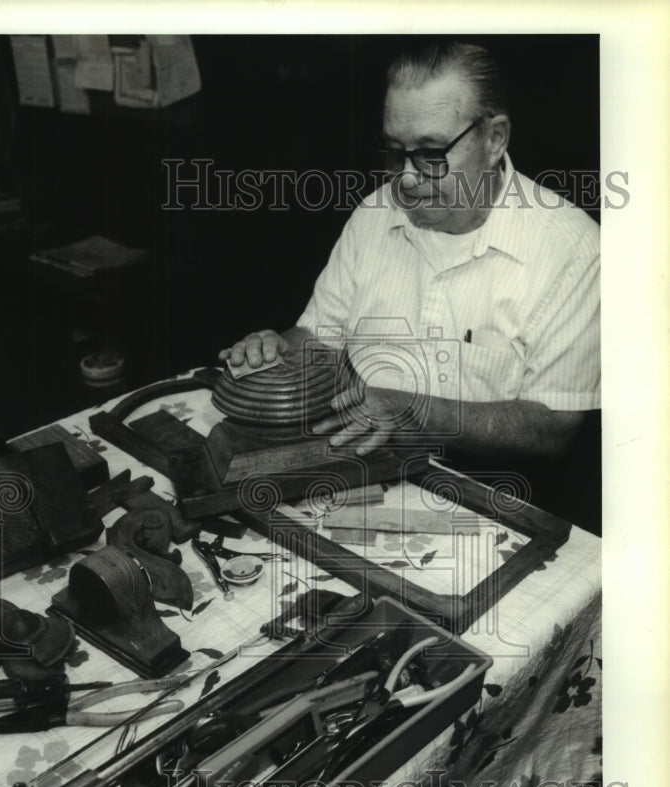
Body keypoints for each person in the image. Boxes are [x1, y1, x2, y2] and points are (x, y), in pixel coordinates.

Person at [218, 40, 601, 531]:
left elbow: (553, 429)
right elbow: (318, 338)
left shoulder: (573, 249)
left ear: (495, 138)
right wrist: (276, 352)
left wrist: (411, 409)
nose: (406, 179)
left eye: (431, 153)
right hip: (354, 480)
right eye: (394, 151)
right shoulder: (374, 215)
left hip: (490, 503)